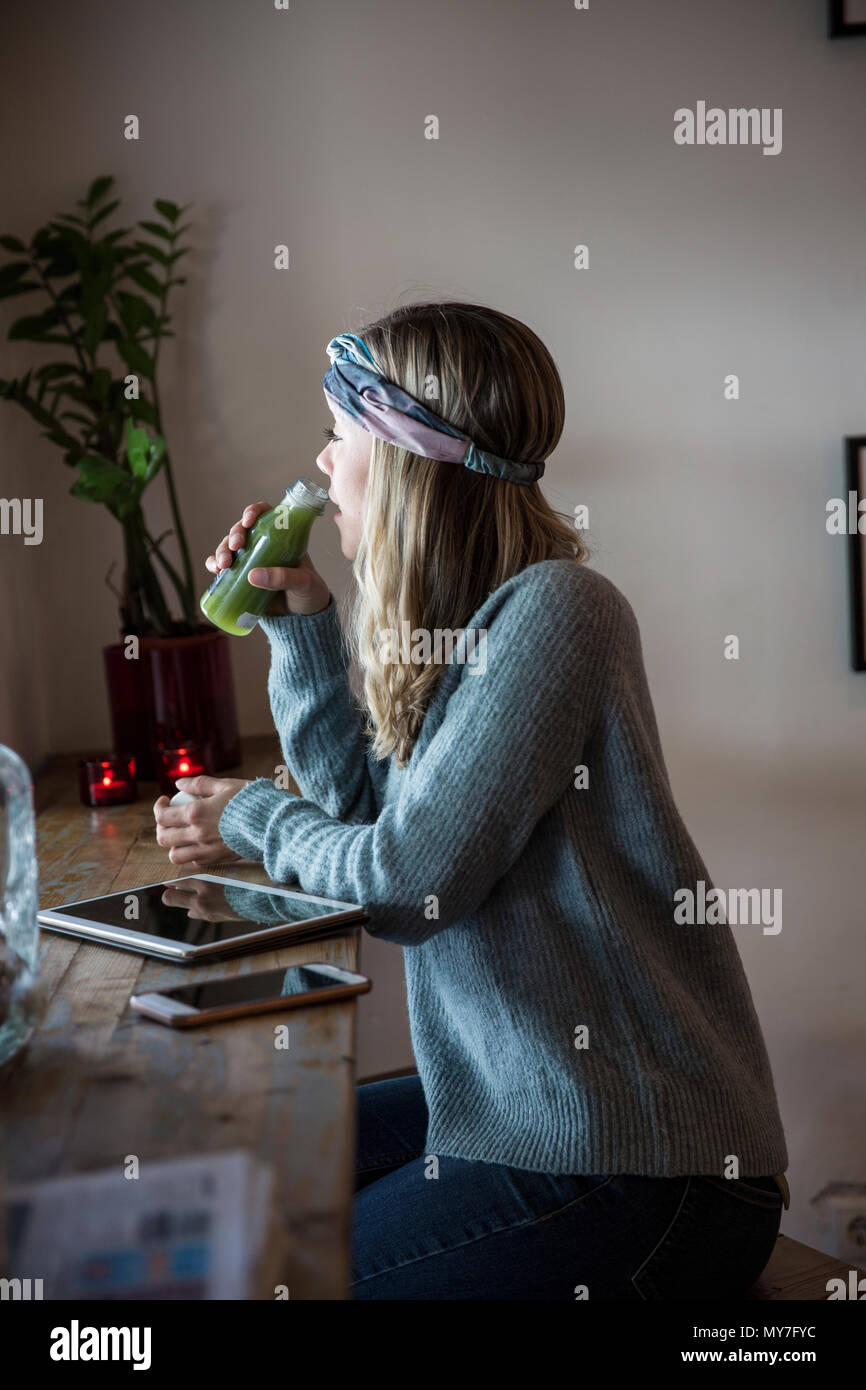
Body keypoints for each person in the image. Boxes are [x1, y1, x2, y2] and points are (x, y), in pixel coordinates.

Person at [153, 300, 788, 1300]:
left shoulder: (559, 610)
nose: (322, 461)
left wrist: (248, 815)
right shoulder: (460, 637)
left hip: (644, 1165)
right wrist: (300, 623)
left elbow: (406, 884)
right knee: (222, 1182)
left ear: (409, 456)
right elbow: (362, 823)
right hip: (517, 1102)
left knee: (265, 1274)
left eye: (338, 431)